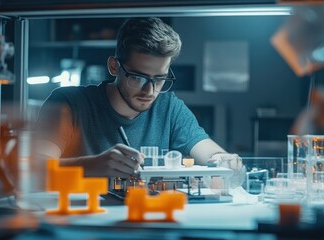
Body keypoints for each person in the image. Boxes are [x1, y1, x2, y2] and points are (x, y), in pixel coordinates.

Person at [36, 17, 244, 187]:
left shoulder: (170, 108)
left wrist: (223, 161)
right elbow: (31, 170)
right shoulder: (67, 104)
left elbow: (212, 155)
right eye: (138, 77)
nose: (150, 90)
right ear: (114, 67)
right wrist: (92, 166)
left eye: (160, 78)